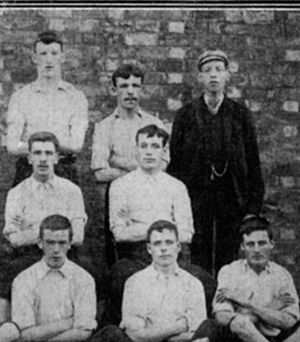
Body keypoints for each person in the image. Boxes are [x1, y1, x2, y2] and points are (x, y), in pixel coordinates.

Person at [84, 220, 217, 342]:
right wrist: (176, 328)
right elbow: (134, 337)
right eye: (157, 243)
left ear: (178, 247)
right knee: (114, 333)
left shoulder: (193, 284)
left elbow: (195, 335)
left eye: (169, 242)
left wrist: (152, 332)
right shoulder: (135, 282)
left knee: (210, 327)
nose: (163, 248)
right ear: (149, 249)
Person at [167, 49, 264, 276]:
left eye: (218, 70)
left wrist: (253, 207)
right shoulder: (186, 115)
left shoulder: (240, 114)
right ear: (199, 77)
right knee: (197, 252)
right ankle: (201, 301)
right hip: (196, 196)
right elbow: (176, 164)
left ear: (227, 76)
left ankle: (224, 301)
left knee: (228, 253)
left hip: (230, 195)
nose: (213, 75)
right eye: (207, 70)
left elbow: (252, 162)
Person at [7, 215, 116, 342]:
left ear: (70, 243)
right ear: (40, 243)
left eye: (62, 243)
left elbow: (83, 332)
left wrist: (43, 335)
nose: (56, 250)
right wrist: (69, 322)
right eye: (50, 242)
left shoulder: (83, 278)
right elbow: (25, 334)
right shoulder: (24, 279)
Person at [0, 132, 88, 324]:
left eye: (48, 153)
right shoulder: (17, 193)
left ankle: (86, 327)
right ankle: (6, 331)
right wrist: (58, 229)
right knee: (5, 277)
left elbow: (77, 237)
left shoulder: (71, 191)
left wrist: (32, 229)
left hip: (65, 254)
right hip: (29, 255)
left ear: (57, 157)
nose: (43, 159)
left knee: (96, 274)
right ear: (29, 158)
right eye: (37, 153)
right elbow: (15, 240)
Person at [106, 124, 194, 323]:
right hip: (137, 255)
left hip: (174, 256)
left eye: (155, 146)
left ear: (164, 151)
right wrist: (166, 224)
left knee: (203, 282)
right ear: (135, 149)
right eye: (143, 145)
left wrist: (138, 226)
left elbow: (187, 234)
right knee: (120, 277)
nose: (148, 151)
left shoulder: (176, 187)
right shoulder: (120, 186)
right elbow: (119, 234)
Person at [212, 216, 300, 342]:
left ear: (271, 245)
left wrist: (248, 305)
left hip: (277, 340)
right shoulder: (229, 271)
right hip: (244, 341)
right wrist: (270, 313)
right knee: (240, 323)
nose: (256, 250)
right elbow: (221, 316)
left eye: (261, 243)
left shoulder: (283, 275)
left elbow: (290, 321)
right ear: (242, 247)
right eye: (250, 244)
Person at [91, 64, 167, 267]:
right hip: (119, 195)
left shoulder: (155, 124)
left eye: (135, 85)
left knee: (153, 243)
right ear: (113, 90)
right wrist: (141, 168)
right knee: (119, 252)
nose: (130, 91)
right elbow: (100, 172)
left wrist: (118, 161)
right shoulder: (105, 127)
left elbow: (164, 166)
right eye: (124, 86)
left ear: (141, 89)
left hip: (152, 194)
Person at [6, 31, 88, 186]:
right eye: (43, 53)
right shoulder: (20, 97)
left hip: (64, 169)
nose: (49, 60)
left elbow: (76, 145)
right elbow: (12, 145)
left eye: (54, 53)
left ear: (62, 57)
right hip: (28, 170)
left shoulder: (76, 97)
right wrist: (55, 146)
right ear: (34, 58)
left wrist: (35, 145)